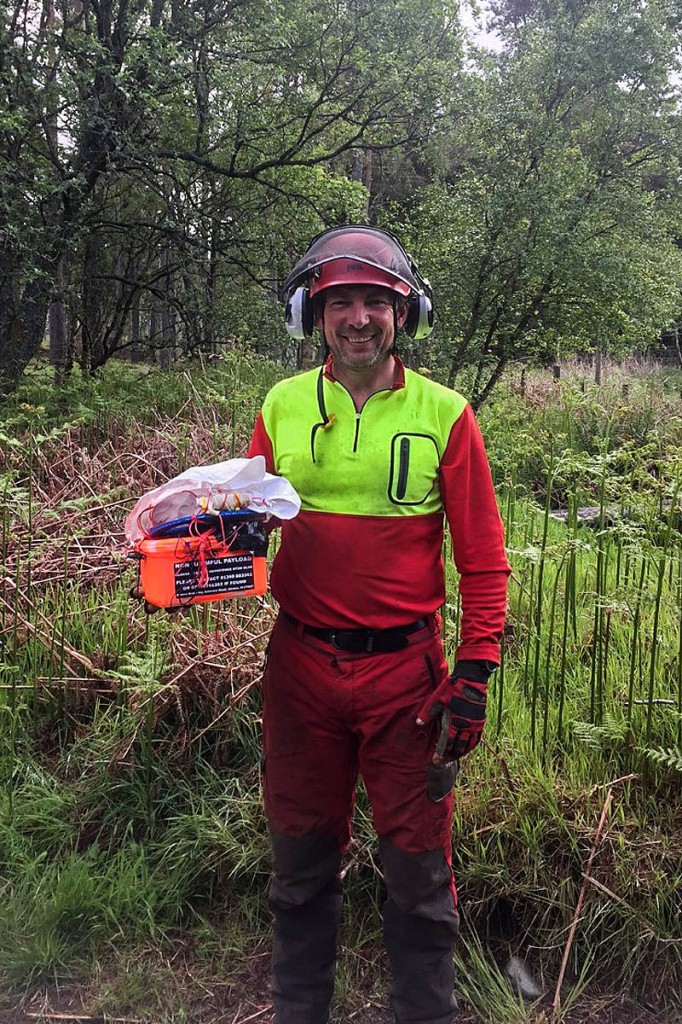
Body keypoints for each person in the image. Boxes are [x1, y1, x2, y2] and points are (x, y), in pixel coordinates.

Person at [247, 225, 510, 1024]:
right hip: (299, 667)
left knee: (420, 873)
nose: (358, 318)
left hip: (406, 679)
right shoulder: (282, 405)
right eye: (340, 303)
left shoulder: (446, 414)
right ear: (311, 314)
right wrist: (178, 553)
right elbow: (244, 526)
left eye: (375, 302)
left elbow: (485, 559)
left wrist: (475, 672)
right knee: (298, 863)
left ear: (406, 314)